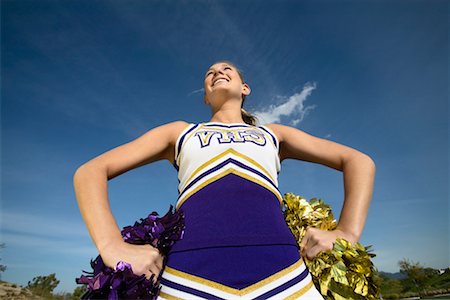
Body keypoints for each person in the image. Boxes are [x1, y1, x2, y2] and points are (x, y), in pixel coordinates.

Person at [73, 60, 376, 299]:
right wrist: (112, 246)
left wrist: (347, 232)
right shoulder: (179, 133)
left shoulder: (275, 134)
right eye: (210, 72)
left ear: (245, 88)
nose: (217, 72)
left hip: (286, 278)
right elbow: (90, 171)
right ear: (206, 96)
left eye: (226, 68)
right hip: (186, 282)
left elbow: (358, 161)